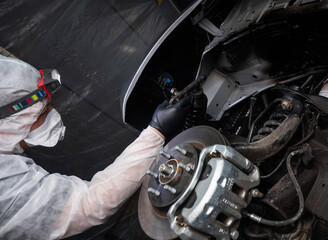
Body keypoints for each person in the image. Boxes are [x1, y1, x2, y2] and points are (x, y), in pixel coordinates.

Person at [0, 55, 190, 239]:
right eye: (41, 113)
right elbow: (91, 204)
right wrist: (156, 132)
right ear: (7, 125)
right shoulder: (5, 183)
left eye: (49, 106)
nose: (52, 115)